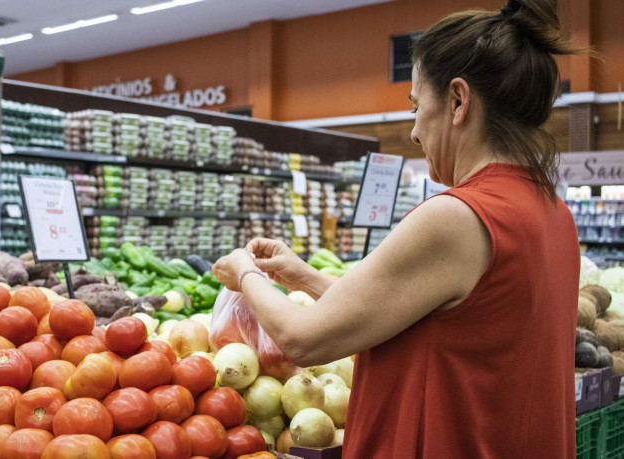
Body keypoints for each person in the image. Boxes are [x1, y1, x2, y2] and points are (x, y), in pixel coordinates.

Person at [212, 0, 580, 456]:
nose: (414, 133)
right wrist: (301, 275)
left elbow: (302, 341)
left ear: (458, 101)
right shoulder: (551, 211)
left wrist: (244, 272)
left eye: (415, 107)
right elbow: (424, 315)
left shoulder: (456, 216)